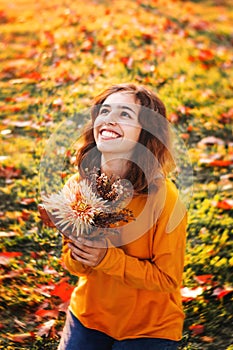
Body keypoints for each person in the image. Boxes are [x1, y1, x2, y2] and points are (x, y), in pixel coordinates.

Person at [57, 83, 187, 350]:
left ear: (146, 134)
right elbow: (75, 267)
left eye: (125, 114)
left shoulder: (165, 200)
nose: (109, 119)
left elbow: (168, 279)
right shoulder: (76, 186)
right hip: (89, 316)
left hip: (150, 328)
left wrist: (108, 259)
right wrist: (80, 251)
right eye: (105, 111)